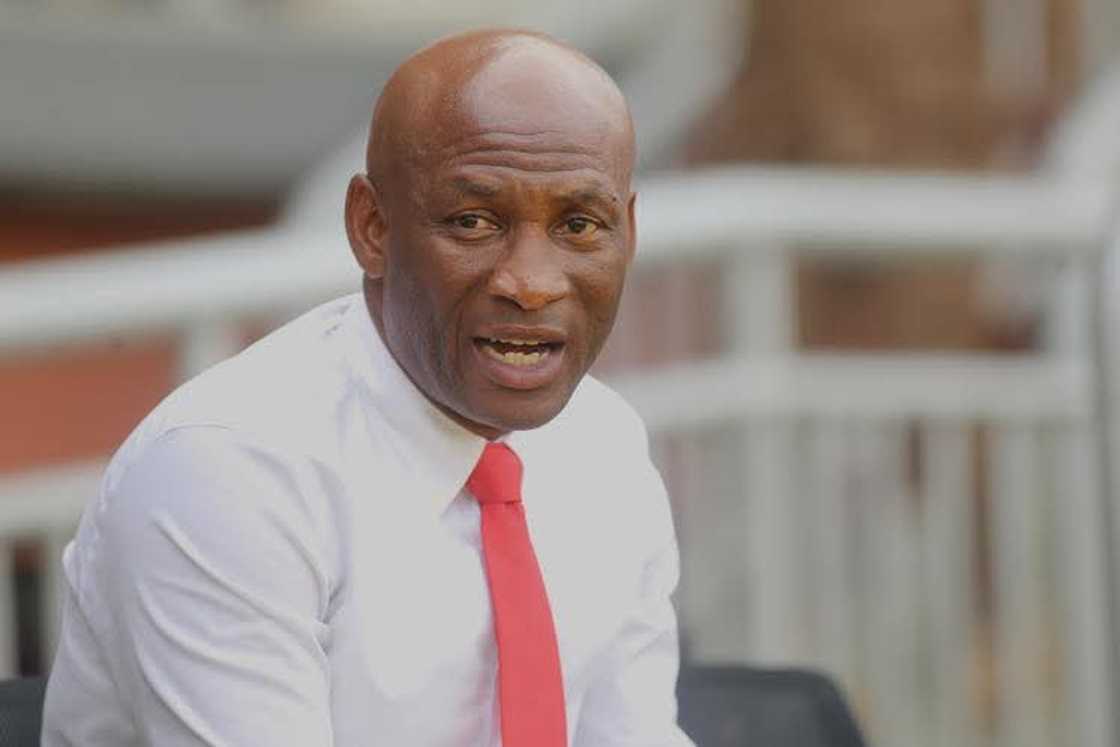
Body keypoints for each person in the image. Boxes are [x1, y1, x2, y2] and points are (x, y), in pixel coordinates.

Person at [42, 28, 693, 746]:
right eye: (473, 221)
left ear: (626, 232)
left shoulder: (605, 445)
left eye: (579, 224)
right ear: (372, 227)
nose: (532, 284)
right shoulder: (229, 471)